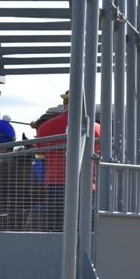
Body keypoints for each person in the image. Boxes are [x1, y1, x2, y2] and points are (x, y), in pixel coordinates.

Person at [34, 90, 100, 230]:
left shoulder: (45, 127)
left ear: (65, 104)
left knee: (55, 229)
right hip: (88, 186)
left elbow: (40, 153)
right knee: (88, 229)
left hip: (55, 185)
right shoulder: (98, 129)